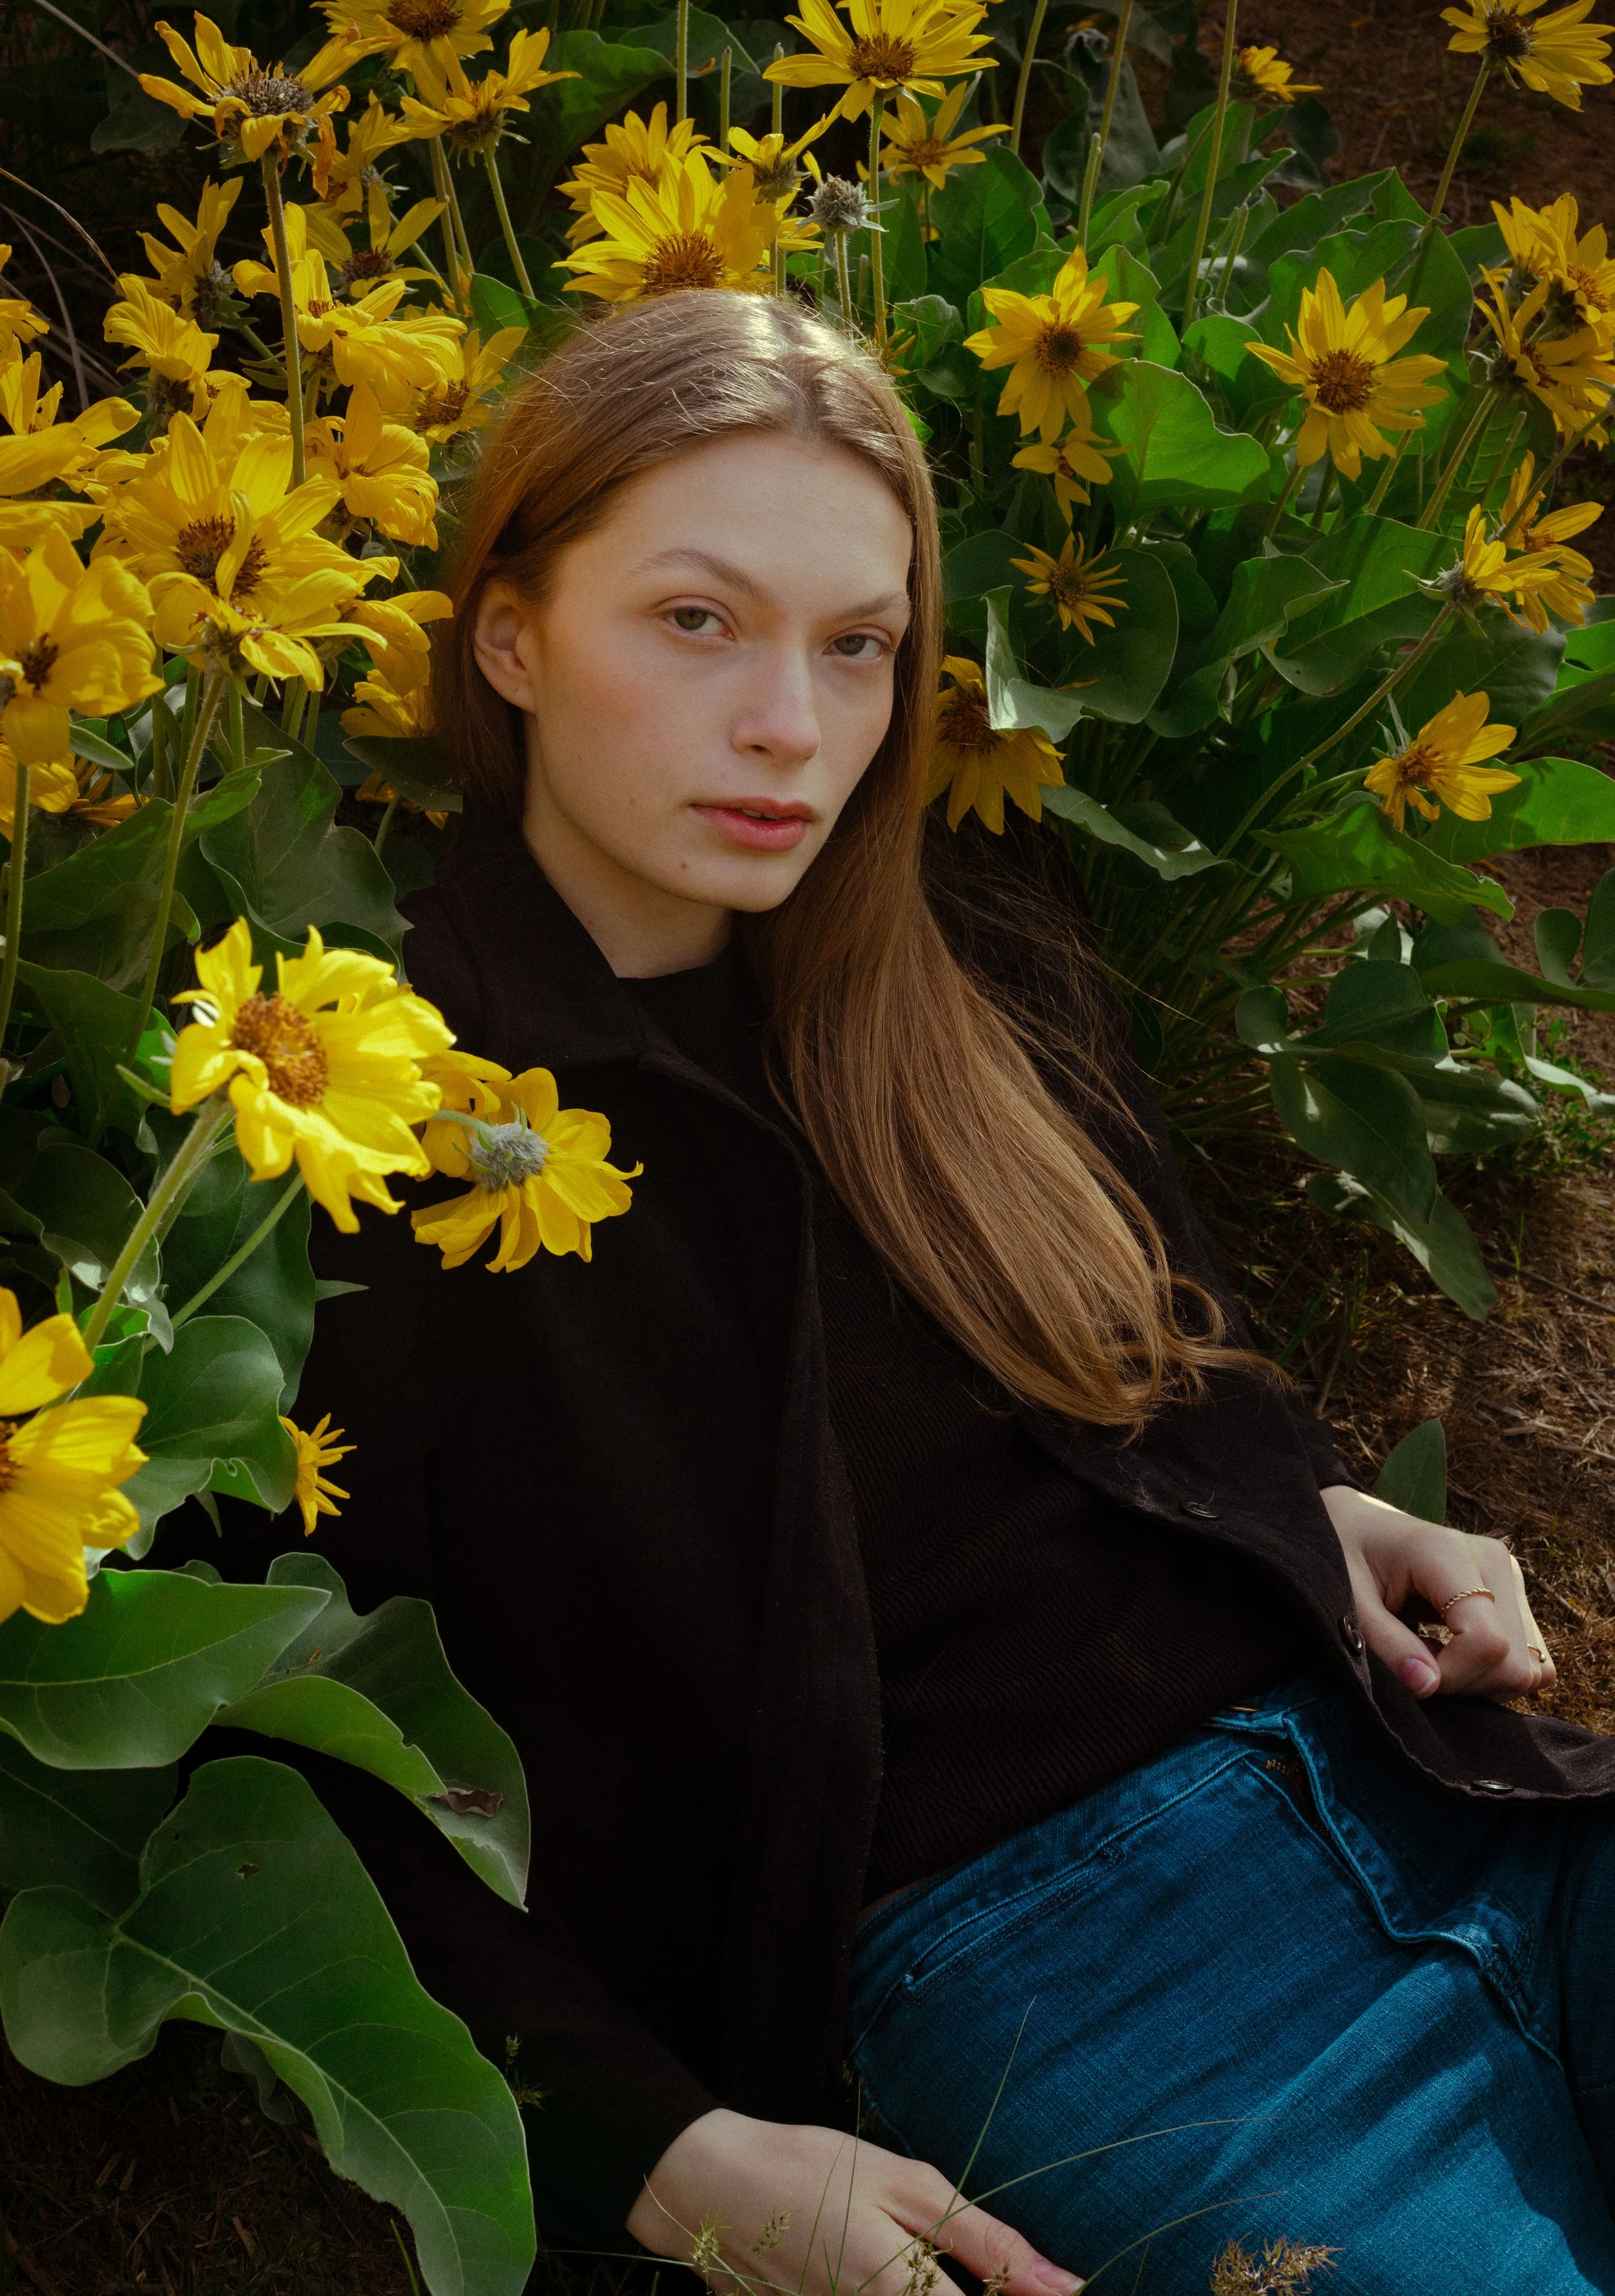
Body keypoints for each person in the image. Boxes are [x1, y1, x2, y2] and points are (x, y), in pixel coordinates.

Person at [261, 289, 1615, 2294]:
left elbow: (1170, 1342)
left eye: (858, 645)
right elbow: (306, 1742)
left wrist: (1309, 1496)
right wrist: (655, 2147)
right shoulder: (369, 1114)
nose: (790, 727)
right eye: (697, 620)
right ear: (510, 632)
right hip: (1070, 1979)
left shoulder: (953, 953)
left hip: (1429, 1780)